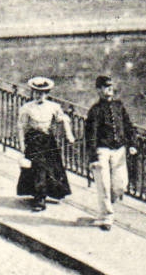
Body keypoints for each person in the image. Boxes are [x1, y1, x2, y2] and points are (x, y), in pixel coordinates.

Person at [85, 75, 137, 230]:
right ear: (99, 90)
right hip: (102, 151)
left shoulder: (119, 106)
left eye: (111, 87)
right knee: (104, 185)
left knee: (120, 185)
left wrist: (132, 143)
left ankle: (106, 207)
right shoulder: (95, 110)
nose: (109, 90)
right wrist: (93, 157)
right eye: (106, 87)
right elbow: (91, 135)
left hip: (119, 150)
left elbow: (128, 125)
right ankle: (107, 216)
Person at [17, 76, 73, 211]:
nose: (39, 96)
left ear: (47, 94)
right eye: (36, 92)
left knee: (52, 167)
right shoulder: (27, 108)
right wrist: (22, 145)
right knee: (38, 167)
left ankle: (52, 192)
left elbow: (63, 119)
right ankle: (39, 198)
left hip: (48, 140)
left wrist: (69, 134)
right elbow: (21, 127)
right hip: (33, 140)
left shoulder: (53, 107)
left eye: (42, 93)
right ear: (32, 92)